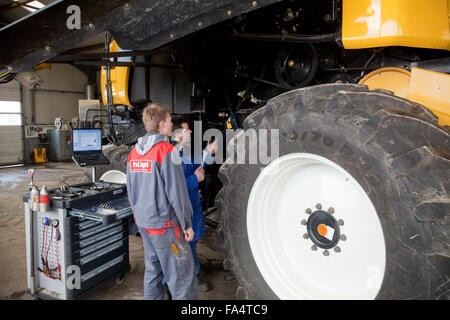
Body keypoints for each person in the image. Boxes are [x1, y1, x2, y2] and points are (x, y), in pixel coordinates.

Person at [126, 102, 197, 300]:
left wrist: (139, 218)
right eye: (169, 120)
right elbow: (177, 193)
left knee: (152, 273)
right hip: (166, 227)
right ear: (161, 125)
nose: (172, 124)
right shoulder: (166, 151)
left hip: (145, 225)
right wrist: (187, 223)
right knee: (182, 279)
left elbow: (130, 191)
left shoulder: (134, 153)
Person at [171, 118, 218, 292]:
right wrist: (194, 180)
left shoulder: (184, 153)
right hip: (180, 209)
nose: (190, 132)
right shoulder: (171, 156)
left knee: (191, 245)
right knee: (177, 248)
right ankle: (170, 282)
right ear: (177, 137)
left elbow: (196, 164)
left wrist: (210, 150)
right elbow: (171, 186)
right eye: (186, 130)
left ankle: (194, 274)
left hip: (191, 207)